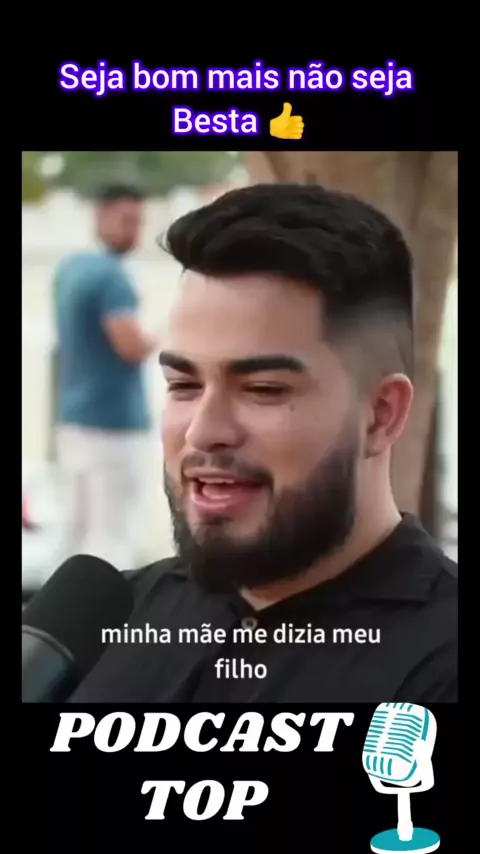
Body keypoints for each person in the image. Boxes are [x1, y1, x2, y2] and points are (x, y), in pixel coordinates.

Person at [68, 182, 457, 703]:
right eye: (183, 385)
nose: (204, 431)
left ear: (381, 415)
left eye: (263, 390)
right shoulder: (107, 624)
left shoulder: (439, 660)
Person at [53, 183, 158, 571]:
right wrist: (160, 335)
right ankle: (107, 609)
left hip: (73, 419)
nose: (135, 231)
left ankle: (57, 608)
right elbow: (129, 346)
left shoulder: (69, 269)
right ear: (101, 216)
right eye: (127, 220)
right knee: (113, 534)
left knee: (75, 530)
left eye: (139, 222)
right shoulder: (113, 278)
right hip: (114, 424)